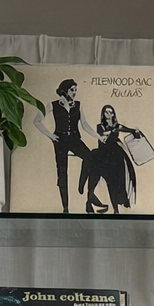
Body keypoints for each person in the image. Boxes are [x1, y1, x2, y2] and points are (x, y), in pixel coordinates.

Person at [31, 79, 106, 215]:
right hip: (60, 140)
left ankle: (88, 193)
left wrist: (98, 137)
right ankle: (65, 208)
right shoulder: (52, 105)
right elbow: (37, 121)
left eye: (76, 90)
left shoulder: (78, 105)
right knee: (62, 173)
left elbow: (85, 124)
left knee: (91, 159)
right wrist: (50, 135)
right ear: (64, 90)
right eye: (72, 90)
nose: (75, 92)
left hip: (75, 139)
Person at [88, 104, 140, 214]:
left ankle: (116, 209)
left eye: (111, 112)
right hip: (104, 156)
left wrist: (134, 131)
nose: (109, 114)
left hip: (117, 157)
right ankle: (93, 201)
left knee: (118, 182)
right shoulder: (100, 126)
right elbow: (103, 136)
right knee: (108, 181)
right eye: (106, 112)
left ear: (113, 114)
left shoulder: (117, 125)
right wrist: (112, 132)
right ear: (103, 114)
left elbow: (126, 129)